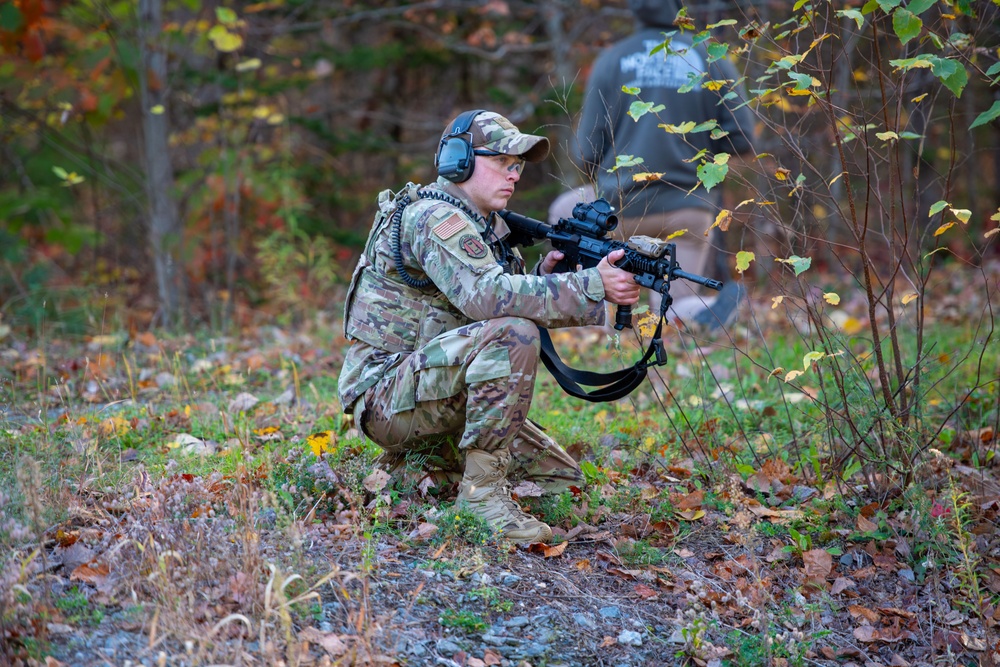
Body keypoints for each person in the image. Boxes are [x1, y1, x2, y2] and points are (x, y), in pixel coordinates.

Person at [337, 110, 641, 545]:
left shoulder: (485, 227)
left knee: (561, 481)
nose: (514, 174)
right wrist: (593, 284)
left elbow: (488, 303)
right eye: (502, 161)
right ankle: (480, 501)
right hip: (388, 397)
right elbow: (487, 298)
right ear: (458, 160)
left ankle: (419, 468)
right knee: (515, 333)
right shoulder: (436, 219)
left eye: (517, 166)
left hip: (435, 390)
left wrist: (550, 274)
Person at [573, 0, 756, 329]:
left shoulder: (612, 59)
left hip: (620, 210)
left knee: (564, 210)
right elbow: (742, 139)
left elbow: (586, 151)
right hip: (690, 206)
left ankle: (588, 317)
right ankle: (701, 311)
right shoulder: (709, 56)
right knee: (673, 305)